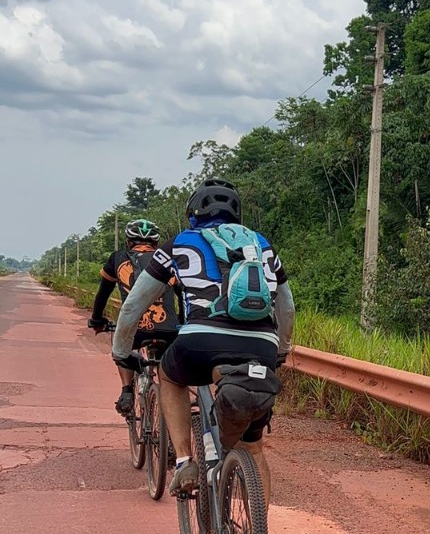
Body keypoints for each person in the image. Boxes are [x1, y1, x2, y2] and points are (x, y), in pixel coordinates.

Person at [111, 180, 295, 500]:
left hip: (200, 341)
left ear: (193, 212)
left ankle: (183, 461)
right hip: (261, 345)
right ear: (236, 213)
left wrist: (120, 351)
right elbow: (287, 308)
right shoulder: (262, 245)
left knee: (169, 375)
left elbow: (133, 306)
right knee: (253, 449)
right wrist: (279, 351)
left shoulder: (178, 243)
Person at [88, 218, 180, 415]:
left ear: (128, 242)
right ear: (155, 243)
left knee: (123, 351)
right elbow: (182, 293)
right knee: (170, 368)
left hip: (134, 328)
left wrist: (97, 320)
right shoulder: (168, 259)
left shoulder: (117, 258)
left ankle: (126, 390)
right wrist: (182, 321)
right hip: (169, 328)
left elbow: (102, 294)